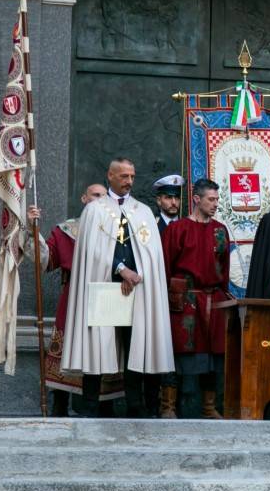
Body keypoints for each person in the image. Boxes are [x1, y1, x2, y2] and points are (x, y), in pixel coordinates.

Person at [61, 158, 174, 418]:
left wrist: (138, 274)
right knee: (97, 344)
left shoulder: (143, 211)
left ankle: (138, 406)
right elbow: (92, 250)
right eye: (123, 176)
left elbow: (152, 254)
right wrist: (121, 269)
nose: (129, 181)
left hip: (138, 290)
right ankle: (90, 405)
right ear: (110, 176)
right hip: (104, 286)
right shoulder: (95, 210)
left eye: (132, 176)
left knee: (138, 343)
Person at [26, 184, 124, 416]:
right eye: (95, 195)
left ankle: (104, 407)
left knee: (105, 350)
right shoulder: (67, 230)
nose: (100, 200)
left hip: (107, 295)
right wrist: (32, 229)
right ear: (84, 198)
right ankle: (60, 404)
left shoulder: (117, 230)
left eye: (104, 197)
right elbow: (46, 260)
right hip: (74, 297)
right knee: (69, 346)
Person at [162, 179, 231, 420]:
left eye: (217, 200)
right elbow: (165, 267)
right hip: (184, 301)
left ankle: (209, 407)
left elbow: (224, 269)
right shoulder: (177, 229)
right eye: (211, 199)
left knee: (213, 356)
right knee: (176, 352)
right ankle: (168, 406)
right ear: (196, 199)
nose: (215, 204)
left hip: (213, 301)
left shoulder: (220, 230)